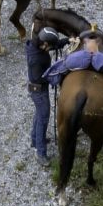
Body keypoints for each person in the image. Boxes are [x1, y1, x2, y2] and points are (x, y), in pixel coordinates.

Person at [26, 24, 66, 164]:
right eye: (49, 46)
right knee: (43, 119)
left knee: (39, 114)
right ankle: (40, 153)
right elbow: (43, 78)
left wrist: (67, 41)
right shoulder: (37, 59)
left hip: (36, 89)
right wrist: (57, 73)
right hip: (39, 90)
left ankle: (35, 139)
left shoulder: (34, 44)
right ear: (44, 44)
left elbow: (53, 46)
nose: (50, 49)